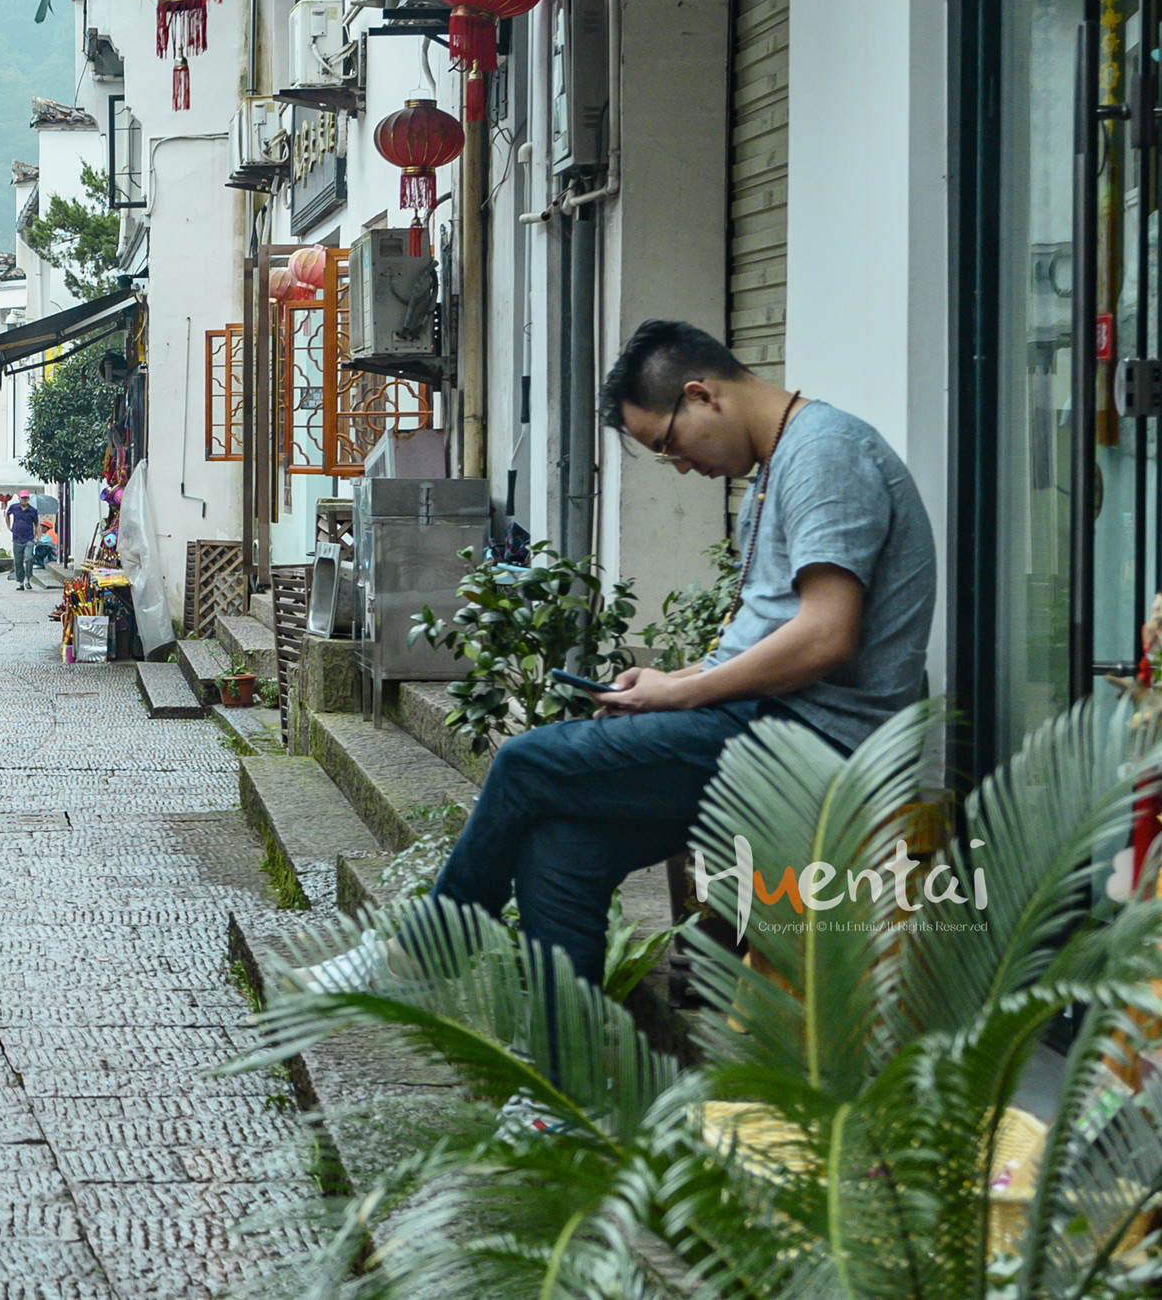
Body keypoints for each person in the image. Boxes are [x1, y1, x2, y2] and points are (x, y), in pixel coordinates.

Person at [303, 320, 936, 995]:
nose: (682, 466)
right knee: (561, 851)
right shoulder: (781, 466)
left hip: (817, 749)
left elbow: (826, 635)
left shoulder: (825, 455)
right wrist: (673, 679)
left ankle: (423, 955)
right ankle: (554, 1093)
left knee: (525, 761)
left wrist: (684, 695)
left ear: (702, 395)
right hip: (764, 731)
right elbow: (768, 639)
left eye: (669, 445)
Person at [7, 491, 41, 590]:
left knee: (29, 558)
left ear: (28, 499)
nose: (24, 499)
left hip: (29, 537)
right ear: (19, 498)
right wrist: (9, 526)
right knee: (18, 561)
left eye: (26, 498)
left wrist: (38, 537)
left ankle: (28, 579)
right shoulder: (14, 507)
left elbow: (37, 524)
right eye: (22, 498)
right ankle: (20, 582)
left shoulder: (32, 510)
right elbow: (7, 515)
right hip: (17, 537)